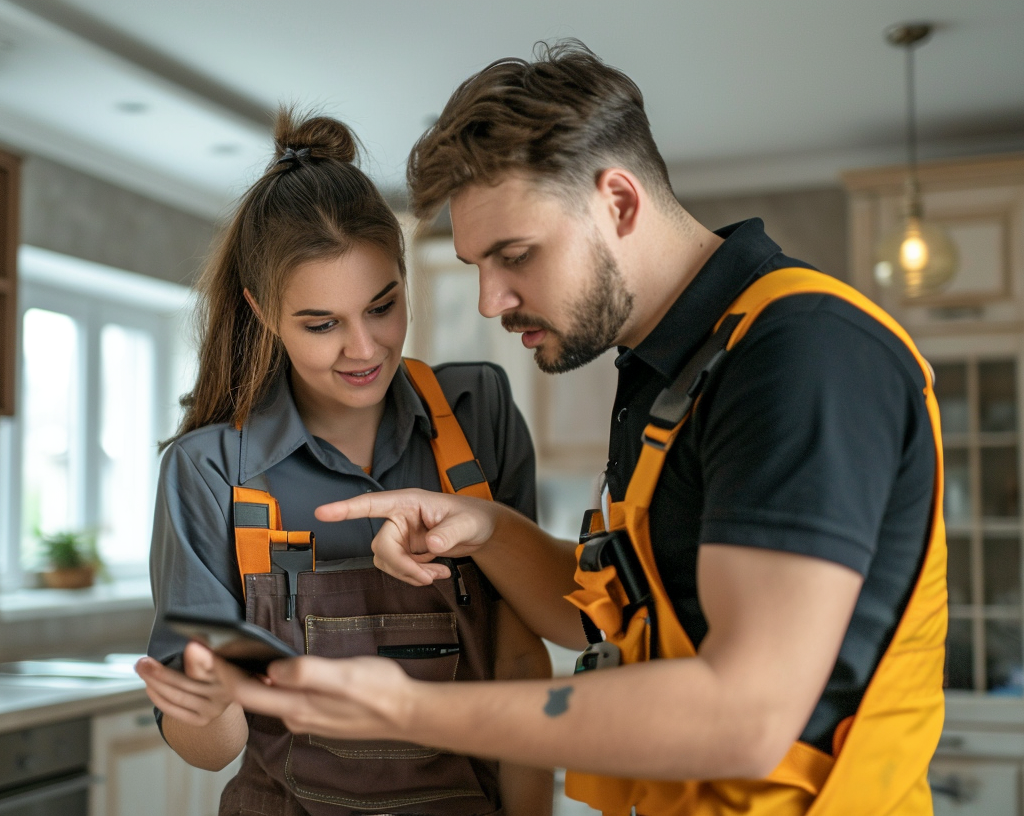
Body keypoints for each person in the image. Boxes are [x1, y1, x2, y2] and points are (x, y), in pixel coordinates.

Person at [214, 42, 949, 816]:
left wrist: (406, 709)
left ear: (620, 202)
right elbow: (606, 614)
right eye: (475, 266)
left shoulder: (801, 355)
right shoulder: (668, 371)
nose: (491, 302)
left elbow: (746, 717)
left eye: (516, 255)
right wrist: (486, 528)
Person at [134, 110, 553, 816]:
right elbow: (214, 747)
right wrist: (204, 704)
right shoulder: (209, 471)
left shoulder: (477, 414)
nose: (363, 348)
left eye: (383, 306)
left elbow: (518, 664)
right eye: (321, 324)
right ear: (263, 312)